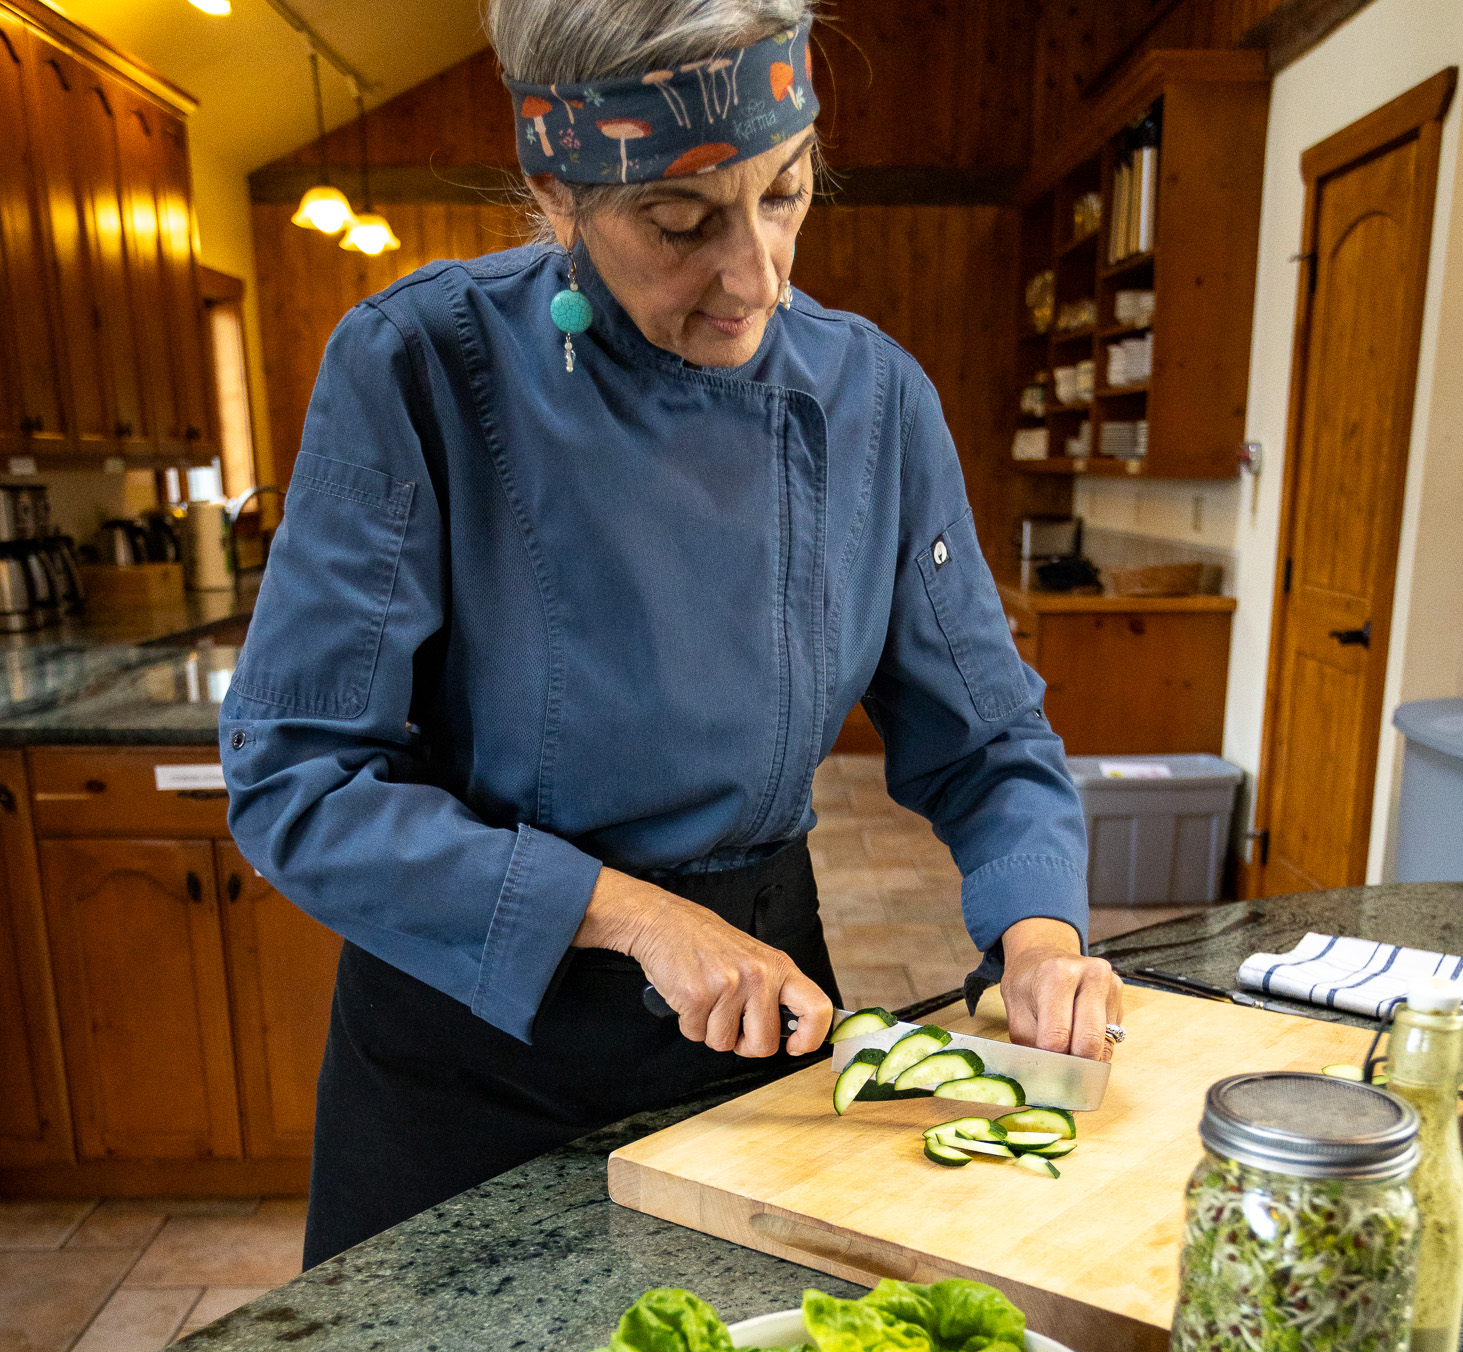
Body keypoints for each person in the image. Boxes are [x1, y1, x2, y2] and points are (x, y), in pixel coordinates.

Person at [222, 0, 1122, 1268]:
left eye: (787, 197)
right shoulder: (415, 367)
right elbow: (296, 784)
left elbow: (987, 738)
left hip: (754, 1034)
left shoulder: (874, 400)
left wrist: (1038, 936)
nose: (753, 279)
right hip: (469, 1055)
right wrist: (634, 915)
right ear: (557, 191)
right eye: (682, 222)